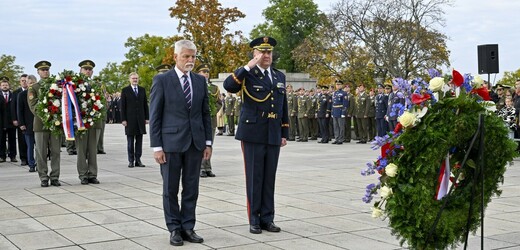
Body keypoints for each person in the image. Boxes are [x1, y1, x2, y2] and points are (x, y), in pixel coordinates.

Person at [223, 36, 288, 234]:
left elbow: (282, 106)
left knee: (269, 178)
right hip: (252, 133)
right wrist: (247, 67)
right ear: (255, 53)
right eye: (262, 52)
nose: (266, 55)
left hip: (272, 133)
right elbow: (229, 86)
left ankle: (268, 218)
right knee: (255, 177)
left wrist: (284, 132)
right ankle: (254, 219)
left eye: (269, 52)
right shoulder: (247, 75)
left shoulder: (278, 76)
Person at [150, 39, 212, 246]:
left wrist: (208, 143)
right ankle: (174, 228)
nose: (190, 60)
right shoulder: (162, 80)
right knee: (170, 188)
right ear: (175, 56)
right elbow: (155, 115)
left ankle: (188, 226)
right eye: (186, 56)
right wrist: (157, 147)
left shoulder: (200, 81)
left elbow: (205, 113)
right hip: (170, 144)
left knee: (191, 187)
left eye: (193, 56)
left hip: (195, 143)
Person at [28, 61, 61, 187]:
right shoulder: (34, 88)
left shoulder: (56, 85)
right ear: (38, 72)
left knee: (56, 152)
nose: (45, 71)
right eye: (43, 70)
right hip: (41, 124)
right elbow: (33, 106)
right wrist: (47, 115)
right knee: (41, 153)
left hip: (55, 124)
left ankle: (55, 177)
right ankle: (43, 177)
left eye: (47, 69)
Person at [75, 60, 102, 185]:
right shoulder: (74, 85)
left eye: (90, 69)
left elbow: (102, 103)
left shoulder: (97, 85)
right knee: (81, 150)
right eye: (85, 69)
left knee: (92, 150)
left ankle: (92, 174)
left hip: (94, 122)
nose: (88, 71)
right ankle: (83, 175)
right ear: (80, 70)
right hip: (80, 122)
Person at [197, 63, 221, 178]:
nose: (206, 74)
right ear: (198, 73)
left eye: (207, 72)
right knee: (201, 144)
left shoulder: (214, 88)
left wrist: (212, 111)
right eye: (203, 72)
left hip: (211, 120)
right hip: (199, 120)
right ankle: (201, 167)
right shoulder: (196, 85)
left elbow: (219, 103)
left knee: (209, 144)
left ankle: (207, 167)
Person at [121, 72, 149, 168]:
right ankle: (131, 160)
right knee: (130, 142)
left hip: (140, 120)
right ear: (130, 79)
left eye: (136, 78)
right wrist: (123, 119)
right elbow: (122, 106)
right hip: (130, 120)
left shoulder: (142, 90)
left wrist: (147, 117)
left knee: (139, 141)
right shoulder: (125, 90)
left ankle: (138, 160)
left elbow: (145, 104)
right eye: (133, 78)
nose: (135, 80)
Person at [17, 75, 37, 172]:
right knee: (30, 146)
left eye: (33, 83)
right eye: (30, 83)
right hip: (27, 124)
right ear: (27, 84)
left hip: (38, 124)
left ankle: (38, 164)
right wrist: (21, 123)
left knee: (39, 147)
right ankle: (31, 164)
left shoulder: (39, 93)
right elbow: (19, 110)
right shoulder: (22, 95)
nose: (31, 85)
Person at [12, 74, 28, 166]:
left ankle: (31, 158)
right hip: (20, 119)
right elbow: (13, 107)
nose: (24, 82)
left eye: (26, 80)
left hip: (30, 120)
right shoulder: (16, 93)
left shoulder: (32, 91)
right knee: (22, 140)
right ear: (20, 82)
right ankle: (23, 158)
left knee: (30, 141)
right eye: (22, 80)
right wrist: (15, 119)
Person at [0, 78, 18, 162]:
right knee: (1, 140)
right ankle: (2, 156)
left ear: (9, 86)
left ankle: (13, 156)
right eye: (3, 85)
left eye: (6, 85)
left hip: (11, 121)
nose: (4, 86)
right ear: (0, 86)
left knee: (12, 139)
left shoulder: (13, 95)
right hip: (1, 121)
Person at [331, 80, 348, 144]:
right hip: (335, 111)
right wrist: (332, 112)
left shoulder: (344, 93)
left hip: (340, 111)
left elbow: (345, 104)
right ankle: (337, 138)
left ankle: (341, 139)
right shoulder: (335, 93)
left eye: (339, 84)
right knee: (335, 126)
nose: (337, 86)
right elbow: (333, 103)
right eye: (337, 85)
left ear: (341, 85)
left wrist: (343, 112)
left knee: (341, 126)